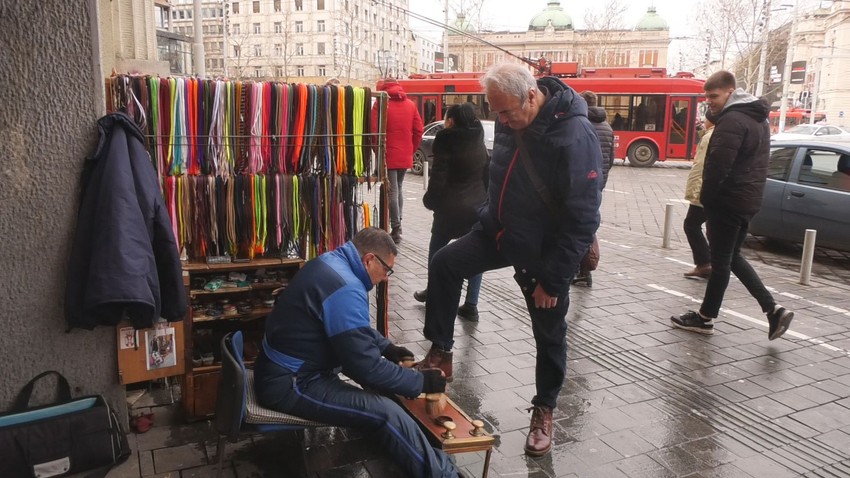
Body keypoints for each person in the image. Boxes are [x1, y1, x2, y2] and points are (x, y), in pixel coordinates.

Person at [414, 63, 602, 457]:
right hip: (497, 231)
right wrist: (487, 215)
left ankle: (544, 409)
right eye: (494, 112)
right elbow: (498, 174)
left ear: (531, 96)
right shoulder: (507, 118)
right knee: (445, 263)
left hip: (543, 250)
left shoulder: (573, 133)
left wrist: (553, 280)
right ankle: (442, 353)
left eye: (505, 112)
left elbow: (583, 218)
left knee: (548, 334)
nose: (499, 120)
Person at [254, 227, 456, 478]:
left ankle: (406, 450)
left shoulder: (331, 263)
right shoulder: (346, 287)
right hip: (290, 383)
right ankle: (442, 474)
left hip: (287, 371)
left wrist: (386, 348)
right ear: (369, 259)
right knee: (385, 413)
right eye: (386, 270)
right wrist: (421, 381)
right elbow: (365, 367)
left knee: (384, 391)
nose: (385, 278)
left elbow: (351, 331)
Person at [671, 70, 794, 341]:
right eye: (706, 97)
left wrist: (709, 201)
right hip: (748, 199)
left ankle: (705, 319)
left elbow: (718, 168)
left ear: (729, 92)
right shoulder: (757, 119)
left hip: (728, 202)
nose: (709, 102)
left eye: (713, 96)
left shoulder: (732, 120)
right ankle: (773, 310)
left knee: (721, 262)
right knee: (731, 256)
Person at [413, 103, 489, 321]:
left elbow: (438, 177)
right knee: (476, 255)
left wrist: (431, 201)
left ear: (452, 120)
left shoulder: (445, 139)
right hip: (476, 207)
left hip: (449, 208)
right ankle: (471, 305)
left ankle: (433, 292)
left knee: (436, 250)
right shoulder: (478, 137)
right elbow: (487, 170)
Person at [372, 79, 425, 244]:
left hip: (388, 154)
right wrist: (411, 148)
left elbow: (374, 131)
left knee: (392, 191)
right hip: (404, 154)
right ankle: (398, 222)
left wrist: (377, 152)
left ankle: (396, 228)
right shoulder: (410, 104)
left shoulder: (381, 104)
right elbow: (419, 130)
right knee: (398, 188)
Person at [572, 90, 615, 287]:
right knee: (589, 224)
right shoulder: (607, 126)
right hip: (599, 181)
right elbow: (611, 158)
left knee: (580, 226)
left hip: (584, 182)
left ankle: (583, 270)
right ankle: (583, 270)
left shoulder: (581, 124)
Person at [682, 117, 715, 279]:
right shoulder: (714, 134)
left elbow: (701, 166)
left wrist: (697, 192)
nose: (703, 121)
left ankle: (705, 264)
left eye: (706, 119)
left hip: (704, 190)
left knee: (691, 225)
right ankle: (710, 263)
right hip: (708, 190)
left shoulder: (710, 137)